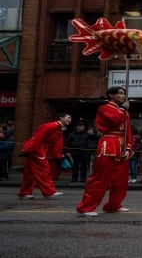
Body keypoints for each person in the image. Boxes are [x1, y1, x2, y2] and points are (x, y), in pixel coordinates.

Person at [76, 86, 135, 216]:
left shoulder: (124, 112)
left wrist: (129, 147)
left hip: (121, 146)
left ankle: (113, 204)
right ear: (110, 95)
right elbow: (114, 121)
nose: (123, 96)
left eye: (124, 94)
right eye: (120, 93)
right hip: (109, 144)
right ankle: (86, 207)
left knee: (120, 180)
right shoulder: (104, 109)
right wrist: (123, 109)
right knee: (100, 178)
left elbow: (128, 132)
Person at [18, 113, 71, 199]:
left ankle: (25, 192)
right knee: (44, 169)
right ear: (61, 118)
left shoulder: (59, 128)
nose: (70, 120)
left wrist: (58, 155)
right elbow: (38, 136)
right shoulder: (51, 126)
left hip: (40, 149)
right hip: (37, 150)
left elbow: (56, 143)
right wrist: (29, 148)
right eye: (68, 118)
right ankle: (49, 191)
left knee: (29, 172)